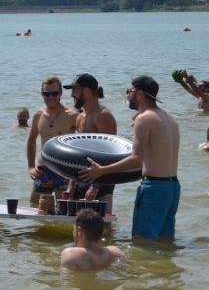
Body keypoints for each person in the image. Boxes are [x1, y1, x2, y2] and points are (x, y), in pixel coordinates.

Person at [80, 76, 180, 240]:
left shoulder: (144, 118)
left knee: (142, 242)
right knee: (165, 241)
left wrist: (102, 171)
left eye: (129, 91)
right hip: (173, 188)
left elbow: (136, 159)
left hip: (154, 188)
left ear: (139, 94)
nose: (127, 95)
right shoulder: (169, 118)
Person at [64, 74, 117, 216]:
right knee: (79, 229)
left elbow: (110, 154)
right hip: (81, 179)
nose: (72, 95)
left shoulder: (103, 115)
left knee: (102, 232)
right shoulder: (80, 117)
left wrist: (95, 187)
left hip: (102, 183)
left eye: (75, 90)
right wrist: (70, 186)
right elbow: (78, 154)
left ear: (86, 91)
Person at [27, 76, 78, 213]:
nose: (51, 97)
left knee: (64, 211)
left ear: (61, 93)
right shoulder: (39, 115)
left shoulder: (72, 115)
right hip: (43, 170)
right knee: (35, 206)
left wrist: (75, 173)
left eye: (54, 93)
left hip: (64, 170)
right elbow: (32, 140)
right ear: (41, 94)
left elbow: (83, 144)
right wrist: (31, 165)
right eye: (46, 94)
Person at [60, 209, 125, 271]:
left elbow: (67, 280)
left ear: (79, 231)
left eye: (74, 229)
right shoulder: (115, 252)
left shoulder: (71, 254)